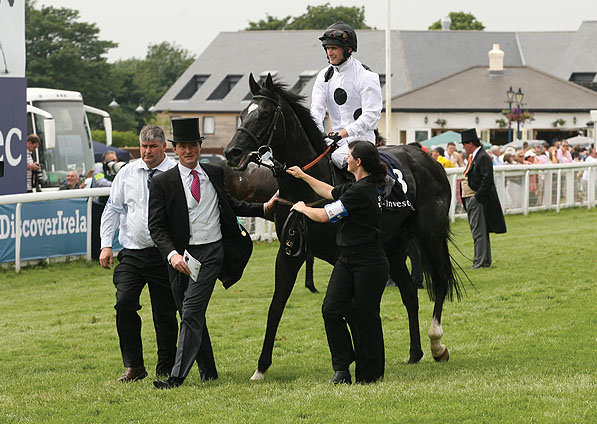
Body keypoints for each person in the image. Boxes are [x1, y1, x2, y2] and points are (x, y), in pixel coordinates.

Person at [148, 117, 277, 389]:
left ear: (199, 147)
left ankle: (176, 377)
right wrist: (172, 255)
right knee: (189, 313)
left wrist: (263, 208)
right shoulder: (162, 182)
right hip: (180, 257)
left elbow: (229, 205)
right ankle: (208, 371)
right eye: (182, 146)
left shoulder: (215, 173)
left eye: (192, 145)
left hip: (211, 252)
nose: (188, 151)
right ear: (175, 149)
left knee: (192, 310)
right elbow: (157, 226)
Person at [286, 140, 389, 384]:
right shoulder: (356, 186)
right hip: (347, 258)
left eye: (349, 155)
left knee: (366, 317)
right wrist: (303, 176)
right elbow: (329, 191)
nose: (346, 158)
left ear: (358, 162)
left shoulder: (361, 191)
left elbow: (324, 215)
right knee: (330, 309)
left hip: (369, 261)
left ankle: (370, 374)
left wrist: (301, 208)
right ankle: (343, 367)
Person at [98, 125, 178, 383]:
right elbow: (112, 209)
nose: (147, 151)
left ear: (163, 147)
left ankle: (165, 366)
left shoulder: (176, 172)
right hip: (131, 253)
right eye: (143, 147)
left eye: (152, 146)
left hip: (165, 254)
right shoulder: (127, 173)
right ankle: (134, 366)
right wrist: (106, 244)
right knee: (124, 304)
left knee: (165, 313)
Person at [310, 22, 382, 169]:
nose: (329, 53)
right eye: (327, 48)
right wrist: (315, 134)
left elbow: (371, 116)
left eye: (334, 48)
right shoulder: (323, 76)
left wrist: (341, 134)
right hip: (336, 141)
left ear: (348, 49)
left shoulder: (366, 77)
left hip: (362, 141)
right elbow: (316, 110)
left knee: (337, 157)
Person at [459, 129, 506, 269]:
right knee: (481, 231)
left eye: (464, 144)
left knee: (478, 232)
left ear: (470, 143)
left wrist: (477, 197)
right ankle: (483, 260)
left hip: (476, 198)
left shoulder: (482, 157)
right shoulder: (477, 156)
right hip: (474, 197)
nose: (463, 147)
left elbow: (487, 179)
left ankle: (479, 261)